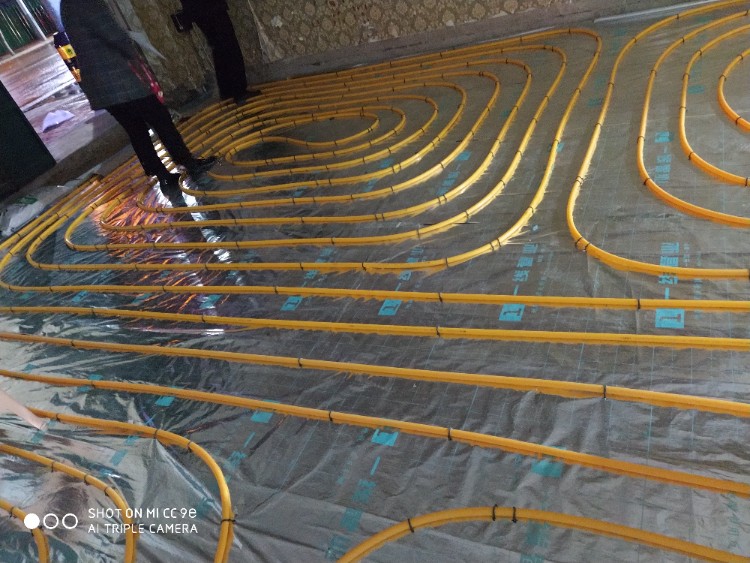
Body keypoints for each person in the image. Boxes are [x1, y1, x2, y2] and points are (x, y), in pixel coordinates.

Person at [59, 0, 216, 192]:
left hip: (100, 86)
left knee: (136, 131)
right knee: (161, 120)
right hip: (119, 79)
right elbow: (112, 35)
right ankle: (189, 164)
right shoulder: (87, 3)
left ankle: (162, 175)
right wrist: (133, 49)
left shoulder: (66, 4)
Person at [179, 0, 257, 103]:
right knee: (229, 46)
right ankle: (239, 91)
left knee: (219, 48)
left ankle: (227, 90)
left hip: (198, 10)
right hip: (209, 7)